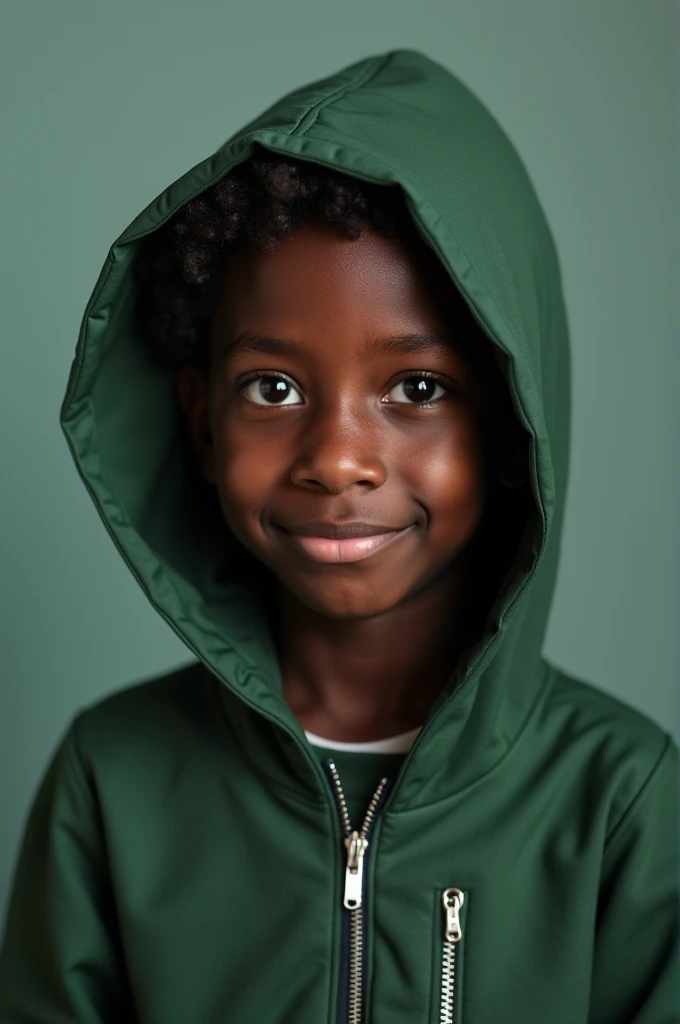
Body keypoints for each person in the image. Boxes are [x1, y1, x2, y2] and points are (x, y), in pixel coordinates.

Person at [0, 47, 676, 1024]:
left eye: (416, 389)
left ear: (505, 420)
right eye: (271, 388)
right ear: (199, 420)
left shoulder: (618, 800)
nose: (337, 458)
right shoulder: (113, 783)